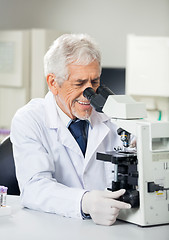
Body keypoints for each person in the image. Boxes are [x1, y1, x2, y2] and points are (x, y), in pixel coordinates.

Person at [10, 33, 131, 226]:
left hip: (114, 225)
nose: (89, 93)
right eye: (79, 83)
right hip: (55, 227)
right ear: (53, 83)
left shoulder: (112, 115)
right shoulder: (30, 119)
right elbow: (34, 188)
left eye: (95, 82)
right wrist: (84, 202)